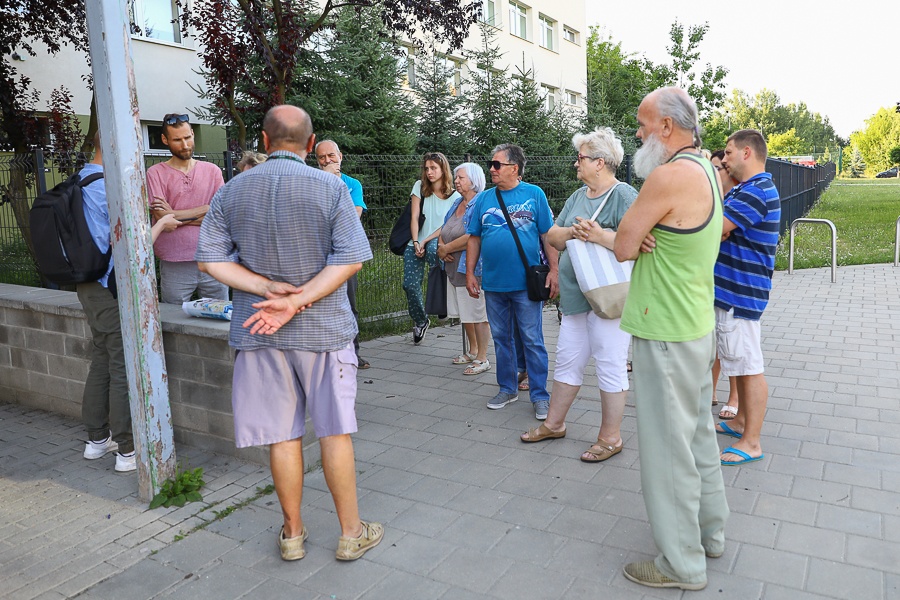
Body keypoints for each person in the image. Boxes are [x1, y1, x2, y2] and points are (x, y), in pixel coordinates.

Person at [195, 105, 382, 562]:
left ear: (263, 139)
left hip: (259, 330)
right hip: (324, 331)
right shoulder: (332, 188)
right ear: (311, 142)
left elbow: (209, 262)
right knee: (335, 433)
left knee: (282, 436)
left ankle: (293, 534)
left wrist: (266, 289)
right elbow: (351, 259)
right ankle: (350, 533)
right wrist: (297, 301)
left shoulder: (232, 191)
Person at [613, 87, 729, 591]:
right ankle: (710, 534)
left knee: (668, 452)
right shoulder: (707, 168)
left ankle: (681, 564)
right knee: (699, 437)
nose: (636, 133)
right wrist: (640, 236)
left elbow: (621, 244)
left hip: (664, 332)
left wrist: (636, 235)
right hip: (696, 327)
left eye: (642, 124)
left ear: (665, 127)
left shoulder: (667, 176)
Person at [520, 127, 636, 463]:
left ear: (600, 162)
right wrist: (574, 231)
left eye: (581, 158)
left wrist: (600, 236)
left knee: (610, 365)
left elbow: (641, 243)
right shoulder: (578, 196)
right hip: (575, 297)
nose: (576, 164)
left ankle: (610, 437)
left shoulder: (623, 195)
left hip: (608, 301)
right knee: (568, 361)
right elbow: (554, 236)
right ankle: (554, 424)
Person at [79, 132, 180, 473]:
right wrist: (163, 224)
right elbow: (131, 249)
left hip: (87, 284)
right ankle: (127, 449)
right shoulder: (106, 188)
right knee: (121, 364)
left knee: (102, 358)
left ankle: (96, 440)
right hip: (110, 286)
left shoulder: (79, 181)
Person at [465, 143, 559, 420]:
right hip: (494, 284)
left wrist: (554, 270)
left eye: (497, 165)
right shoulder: (483, 199)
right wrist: (470, 273)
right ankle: (507, 388)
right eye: (491, 164)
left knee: (532, 339)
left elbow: (548, 235)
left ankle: (540, 395)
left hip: (525, 283)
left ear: (514, 168)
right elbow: (474, 237)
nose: (491, 169)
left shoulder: (534, 194)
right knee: (501, 339)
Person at [713, 130, 781, 466]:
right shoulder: (746, 189)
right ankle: (740, 421)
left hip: (740, 294)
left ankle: (752, 441)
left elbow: (717, 227)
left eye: (727, 153)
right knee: (737, 361)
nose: (723, 160)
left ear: (747, 152)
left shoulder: (756, 191)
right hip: (734, 293)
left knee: (750, 365)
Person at [147, 113, 228, 304]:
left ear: (193, 133)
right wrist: (206, 208)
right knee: (174, 320)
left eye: (188, 137)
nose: (184, 145)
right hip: (174, 261)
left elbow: (221, 215)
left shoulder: (213, 171)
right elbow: (162, 218)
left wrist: (174, 216)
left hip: (213, 258)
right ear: (165, 140)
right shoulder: (155, 173)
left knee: (220, 318)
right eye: (177, 140)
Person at [316, 139, 370, 369]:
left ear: (341, 156)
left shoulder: (352, 184)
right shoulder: (311, 182)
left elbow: (352, 217)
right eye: (322, 157)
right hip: (317, 257)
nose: (327, 160)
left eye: (331, 155)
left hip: (345, 257)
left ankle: (353, 353)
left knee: (349, 305)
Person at [437, 163, 492, 375]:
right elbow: (445, 227)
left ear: (474, 180)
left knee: (478, 313)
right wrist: (442, 247)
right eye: (456, 177)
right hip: (453, 267)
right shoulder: (458, 202)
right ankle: (472, 350)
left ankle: (482, 357)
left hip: (472, 266)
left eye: (460, 177)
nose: (456, 181)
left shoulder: (481, 202)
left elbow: (474, 235)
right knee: (465, 312)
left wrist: (446, 248)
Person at [405, 152, 460, 344]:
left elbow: (447, 225)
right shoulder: (420, 188)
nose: (429, 172)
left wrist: (426, 241)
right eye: (426, 168)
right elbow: (414, 217)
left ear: (443, 169)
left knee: (435, 255)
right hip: (415, 242)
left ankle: (441, 303)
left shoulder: (455, 196)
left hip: (435, 240)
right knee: (409, 285)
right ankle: (421, 320)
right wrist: (416, 241)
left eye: (433, 168)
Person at [709, 148, 740, 418]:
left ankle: (735, 397)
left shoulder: (733, 198)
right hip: (708, 278)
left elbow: (720, 232)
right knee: (713, 339)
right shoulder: (713, 197)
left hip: (731, 284)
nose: (713, 173)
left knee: (731, 344)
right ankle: (712, 389)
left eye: (717, 168)